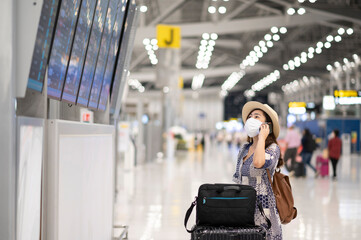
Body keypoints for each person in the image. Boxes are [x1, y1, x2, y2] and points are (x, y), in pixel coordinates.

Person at [233, 101, 283, 240]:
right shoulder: (244, 149)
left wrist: (262, 137)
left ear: (267, 124)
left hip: (264, 210)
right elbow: (238, 179)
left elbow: (258, 162)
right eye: (250, 116)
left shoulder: (273, 148)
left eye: (256, 116)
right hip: (244, 209)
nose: (251, 119)